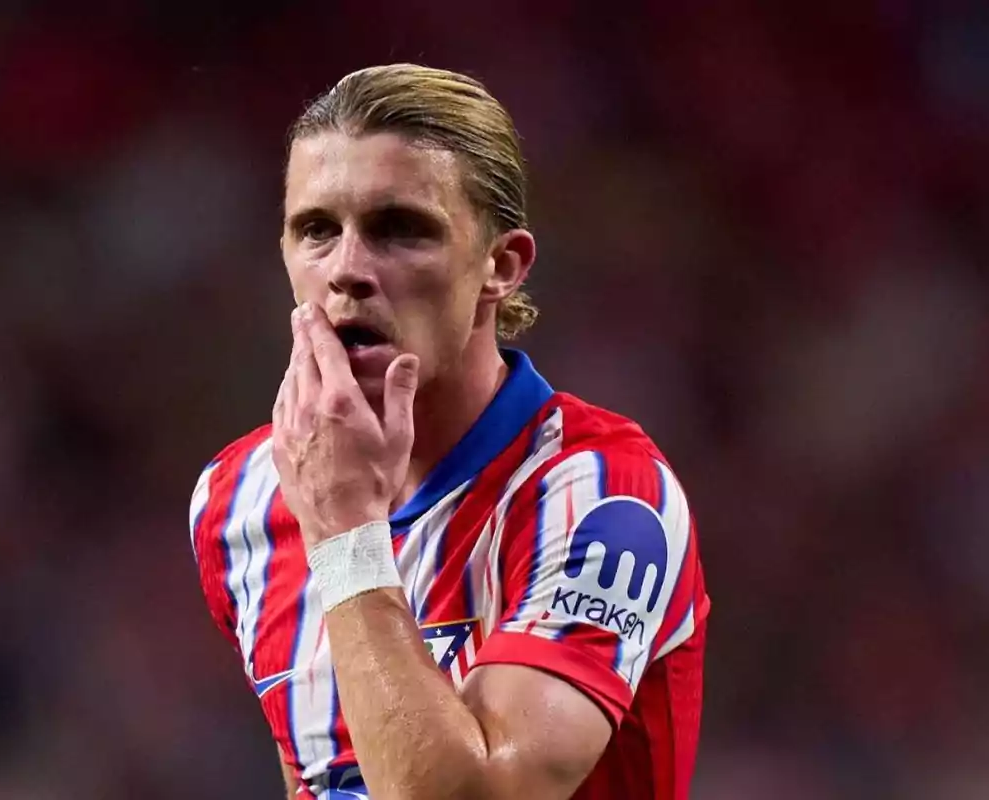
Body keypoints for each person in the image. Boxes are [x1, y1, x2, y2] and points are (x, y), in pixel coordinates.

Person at [189, 63, 710, 800]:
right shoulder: (236, 499)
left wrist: (345, 536)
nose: (348, 270)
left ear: (501, 266)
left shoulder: (606, 497)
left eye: (399, 230)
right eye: (316, 231)